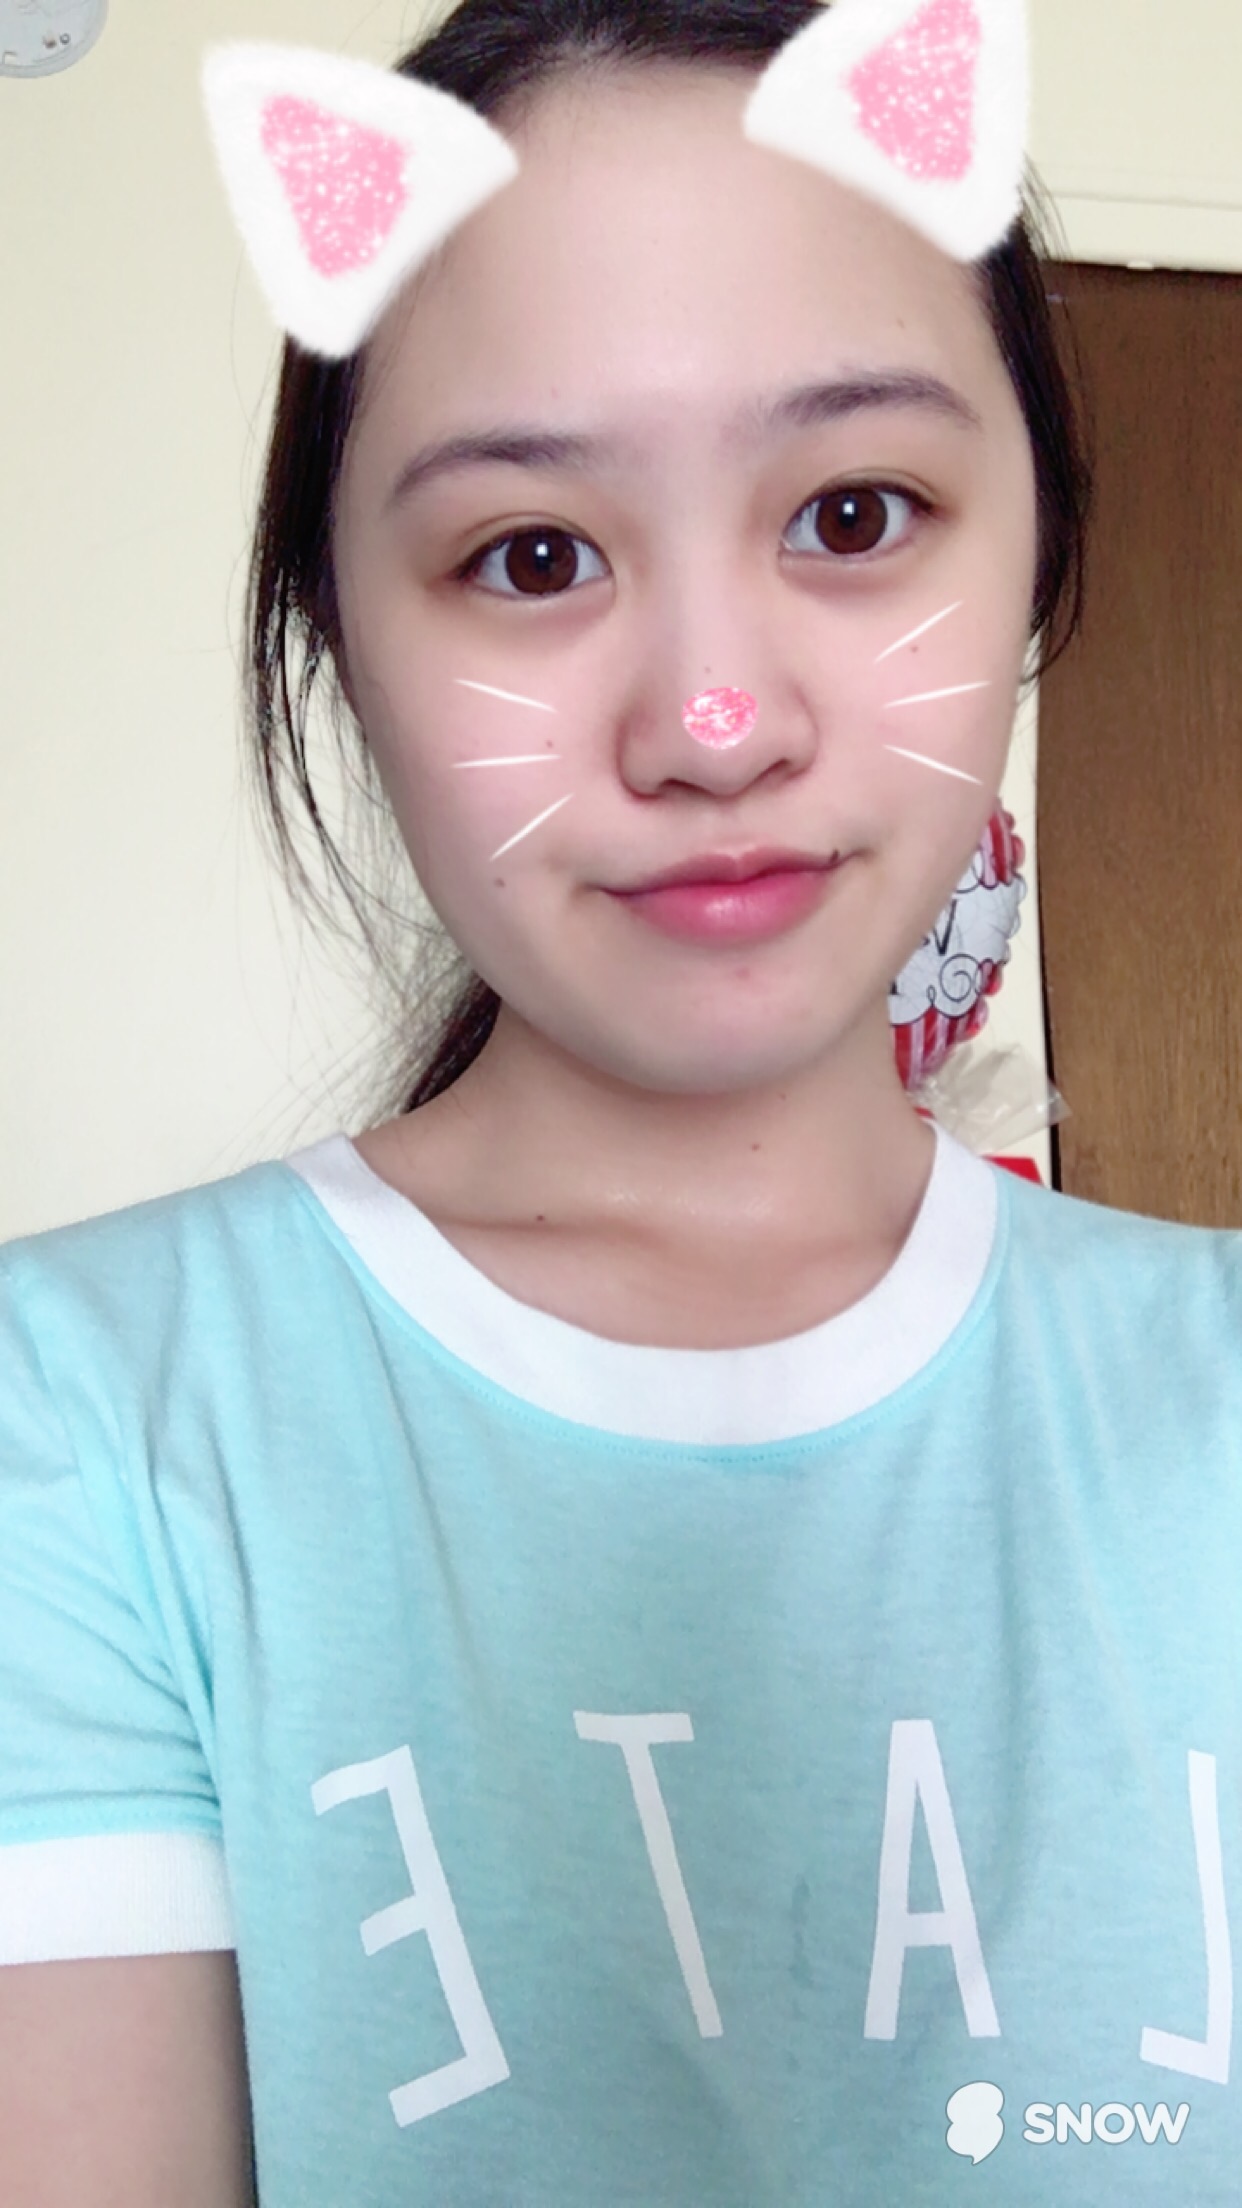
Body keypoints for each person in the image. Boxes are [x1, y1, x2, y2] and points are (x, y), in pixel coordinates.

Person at [6, 1, 1236, 2201]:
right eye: (532, 556)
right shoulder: (80, 1427)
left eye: (854, 512)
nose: (713, 718)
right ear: (336, 630)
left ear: (1037, 549)